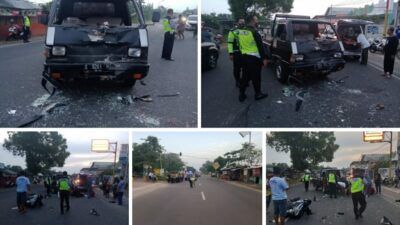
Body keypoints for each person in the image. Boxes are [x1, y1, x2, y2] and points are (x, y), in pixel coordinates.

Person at [236, 15, 268, 102]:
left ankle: (241, 95)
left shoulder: (240, 31)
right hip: (254, 59)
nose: (257, 21)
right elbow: (261, 48)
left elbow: (239, 44)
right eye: (256, 20)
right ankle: (258, 94)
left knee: (245, 76)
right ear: (253, 21)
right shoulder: (254, 32)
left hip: (244, 57)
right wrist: (264, 59)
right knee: (256, 77)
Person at [228, 18, 245, 87]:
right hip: (237, 53)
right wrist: (231, 53)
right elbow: (230, 43)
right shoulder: (232, 31)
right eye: (241, 22)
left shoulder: (246, 31)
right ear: (237, 22)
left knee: (245, 68)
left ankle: (244, 80)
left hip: (245, 53)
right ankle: (237, 81)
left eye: (243, 22)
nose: (242, 23)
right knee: (237, 68)